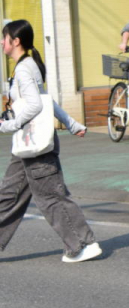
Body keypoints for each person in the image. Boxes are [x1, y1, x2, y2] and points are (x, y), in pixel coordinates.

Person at [0, 20, 101, 264]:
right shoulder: (26, 66)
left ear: (16, 41)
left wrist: (9, 125)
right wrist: (71, 123)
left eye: (4, 38)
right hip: (27, 144)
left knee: (51, 196)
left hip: (34, 144)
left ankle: (83, 244)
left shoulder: (24, 69)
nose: (2, 42)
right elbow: (46, 101)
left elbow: (36, 104)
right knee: (9, 195)